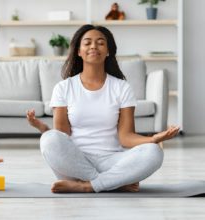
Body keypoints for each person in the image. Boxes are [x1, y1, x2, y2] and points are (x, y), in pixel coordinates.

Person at [27, 24, 179, 193]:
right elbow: (62, 135)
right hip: (75, 163)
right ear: (78, 51)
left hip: (112, 160)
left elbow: (126, 137)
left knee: (154, 152)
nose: (93, 46)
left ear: (108, 51)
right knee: (49, 139)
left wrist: (153, 139)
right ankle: (113, 182)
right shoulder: (63, 88)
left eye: (100, 42)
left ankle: (88, 186)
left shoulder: (122, 87)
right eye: (87, 43)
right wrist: (43, 129)